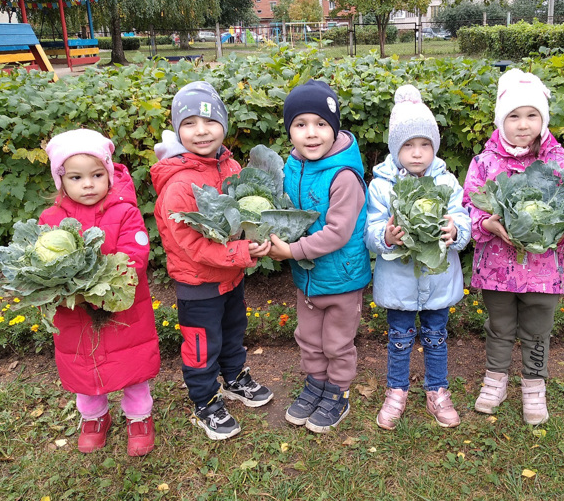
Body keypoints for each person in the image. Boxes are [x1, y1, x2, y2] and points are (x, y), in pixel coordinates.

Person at [151, 81, 273, 441]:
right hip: (197, 283)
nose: (201, 131)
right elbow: (188, 244)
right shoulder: (179, 184)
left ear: (224, 124)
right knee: (202, 345)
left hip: (231, 277)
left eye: (209, 121)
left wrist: (256, 240)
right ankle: (204, 401)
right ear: (177, 131)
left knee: (233, 334)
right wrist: (238, 253)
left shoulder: (230, 165)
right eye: (188, 124)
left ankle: (234, 379)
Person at [463, 68, 564, 425]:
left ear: (543, 120)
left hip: (543, 270)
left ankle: (534, 386)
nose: (522, 124)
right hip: (496, 269)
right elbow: (469, 205)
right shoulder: (484, 162)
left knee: (537, 331)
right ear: (501, 121)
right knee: (499, 327)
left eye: (532, 115)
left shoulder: (557, 161)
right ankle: (495, 380)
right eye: (513, 116)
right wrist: (486, 223)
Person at [40, 129, 161, 457]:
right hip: (75, 314)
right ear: (60, 181)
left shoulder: (126, 212)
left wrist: (98, 284)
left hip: (123, 308)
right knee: (83, 365)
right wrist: (59, 287)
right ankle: (94, 418)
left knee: (132, 363)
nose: (88, 184)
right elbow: (40, 262)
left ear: (109, 174)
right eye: (76, 177)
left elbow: (135, 256)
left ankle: (139, 417)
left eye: (97, 175)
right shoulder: (50, 220)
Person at [365, 85, 471, 429]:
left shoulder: (447, 181)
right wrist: (386, 236)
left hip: (438, 279)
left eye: (424, 144)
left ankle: (437, 391)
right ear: (395, 149)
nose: (416, 153)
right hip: (398, 283)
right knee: (398, 339)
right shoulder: (381, 185)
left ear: (434, 148)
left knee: (437, 337)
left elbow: (463, 218)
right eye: (407, 145)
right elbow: (370, 229)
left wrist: (456, 232)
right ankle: (396, 390)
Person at [268, 79, 371, 434]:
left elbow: (338, 233)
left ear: (334, 128)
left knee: (337, 343)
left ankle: (338, 392)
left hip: (341, 277)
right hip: (308, 279)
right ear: (289, 131)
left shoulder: (344, 176)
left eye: (321, 124)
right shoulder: (292, 167)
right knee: (309, 338)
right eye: (300, 125)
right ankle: (316, 384)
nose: (311, 134)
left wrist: (291, 250)